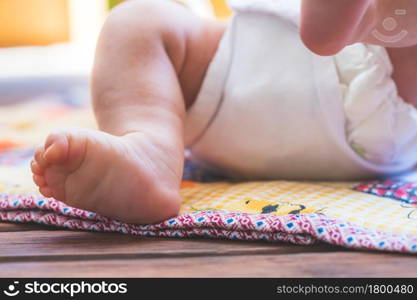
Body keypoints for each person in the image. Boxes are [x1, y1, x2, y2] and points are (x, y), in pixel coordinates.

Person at [30, 0, 417, 224]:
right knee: (138, 19)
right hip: (376, 105)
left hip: (237, 82)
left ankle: (149, 143)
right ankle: (149, 150)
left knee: (137, 21)